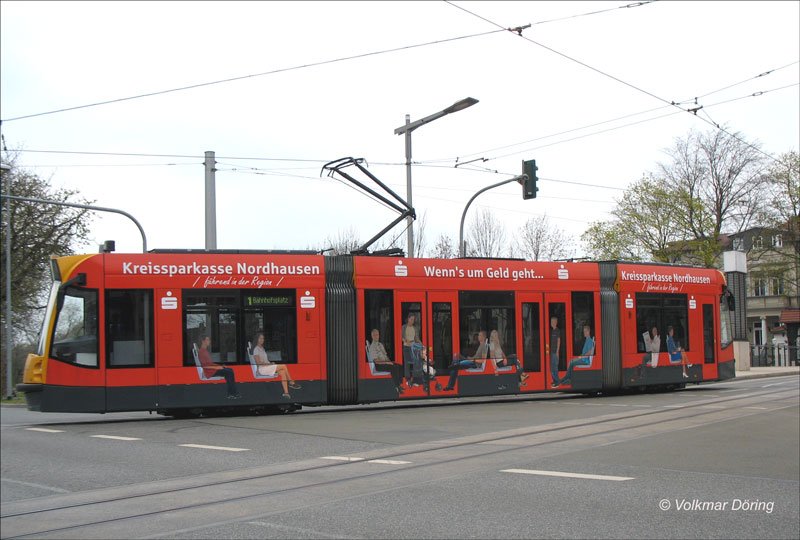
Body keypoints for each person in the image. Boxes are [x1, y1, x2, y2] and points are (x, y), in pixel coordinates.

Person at [251, 332, 301, 400]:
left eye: (263, 338)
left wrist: (270, 363)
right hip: (262, 369)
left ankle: (286, 393)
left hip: (267, 367)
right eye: (260, 338)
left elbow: (265, 361)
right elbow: (258, 363)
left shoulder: (262, 348)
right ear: (257, 339)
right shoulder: (256, 349)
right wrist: (270, 364)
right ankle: (291, 382)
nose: (262, 340)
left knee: (283, 372)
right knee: (283, 366)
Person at [197, 335, 241, 399]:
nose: (209, 341)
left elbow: (210, 363)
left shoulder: (205, 351)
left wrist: (220, 366)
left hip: (212, 370)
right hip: (210, 372)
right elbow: (204, 366)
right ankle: (232, 393)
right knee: (229, 372)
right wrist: (217, 368)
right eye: (208, 340)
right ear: (203, 341)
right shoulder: (202, 351)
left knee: (229, 370)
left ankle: (232, 393)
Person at [368, 328, 404, 394]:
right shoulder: (372, 347)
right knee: (393, 368)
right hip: (379, 365)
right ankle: (397, 387)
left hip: (385, 363)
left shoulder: (380, 344)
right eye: (374, 335)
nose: (376, 336)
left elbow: (385, 356)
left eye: (377, 334)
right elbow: (376, 361)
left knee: (399, 366)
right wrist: (387, 363)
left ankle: (399, 385)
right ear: (372, 336)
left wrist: (390, 362)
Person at [401, 314, 422, 387]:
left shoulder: (415, 328)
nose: (412, 321)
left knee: (415, 363)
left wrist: (421, 344)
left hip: (413, 347)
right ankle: (407, 379)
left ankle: (414, 379)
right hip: (406, 347)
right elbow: (401, 337)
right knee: (407, 363)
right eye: (411, 319)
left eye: (413, 320)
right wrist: (406, 341)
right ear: (408, 319)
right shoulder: (404, 327)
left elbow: (416, 338)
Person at [549, 316, 561, 388]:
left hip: (555, 352)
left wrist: (557, 351)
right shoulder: (552, 331)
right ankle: (554, 380)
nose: (552, 323)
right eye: (551, 322)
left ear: (556, 322)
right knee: (552, 367)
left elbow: (559, 341)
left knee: (555, 367)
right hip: (551, 352)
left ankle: (557, 382)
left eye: (553, 322)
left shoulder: (557, 330)